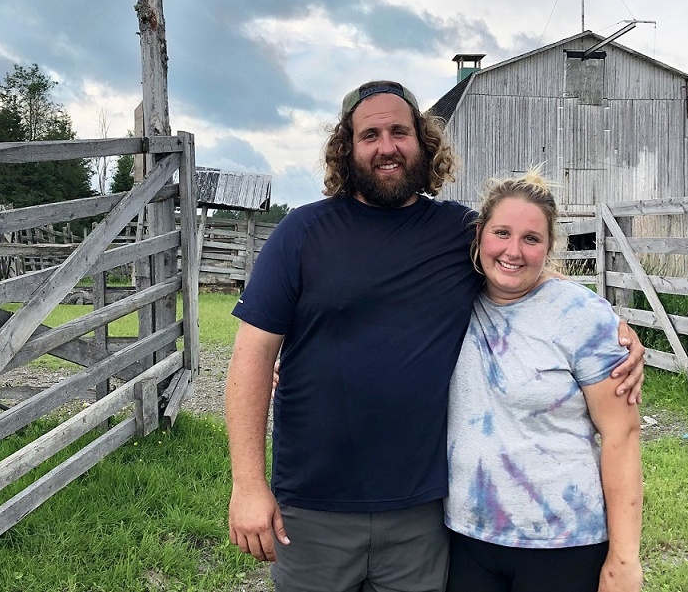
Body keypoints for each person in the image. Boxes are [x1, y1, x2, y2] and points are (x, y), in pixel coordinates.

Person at [225, 80, 644, 592]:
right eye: (370, 134)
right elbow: (250, 357)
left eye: (400, 132)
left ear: (423, 144)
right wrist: (247, 485)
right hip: (315, 507)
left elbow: (515, 258)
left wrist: (607, 323)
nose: (387, 146)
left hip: (422, 512)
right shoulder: (302, 233)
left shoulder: (456, 231)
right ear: (347, 147)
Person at [444, 170, 643, 592]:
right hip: (466, 537)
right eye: (502, 233)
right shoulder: (451, 299)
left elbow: (621, 435)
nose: (513, 251)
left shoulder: (583, 317)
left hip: (562, 543)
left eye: (531, 239)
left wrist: (625, 559)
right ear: (480, 235)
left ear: (549, 246)